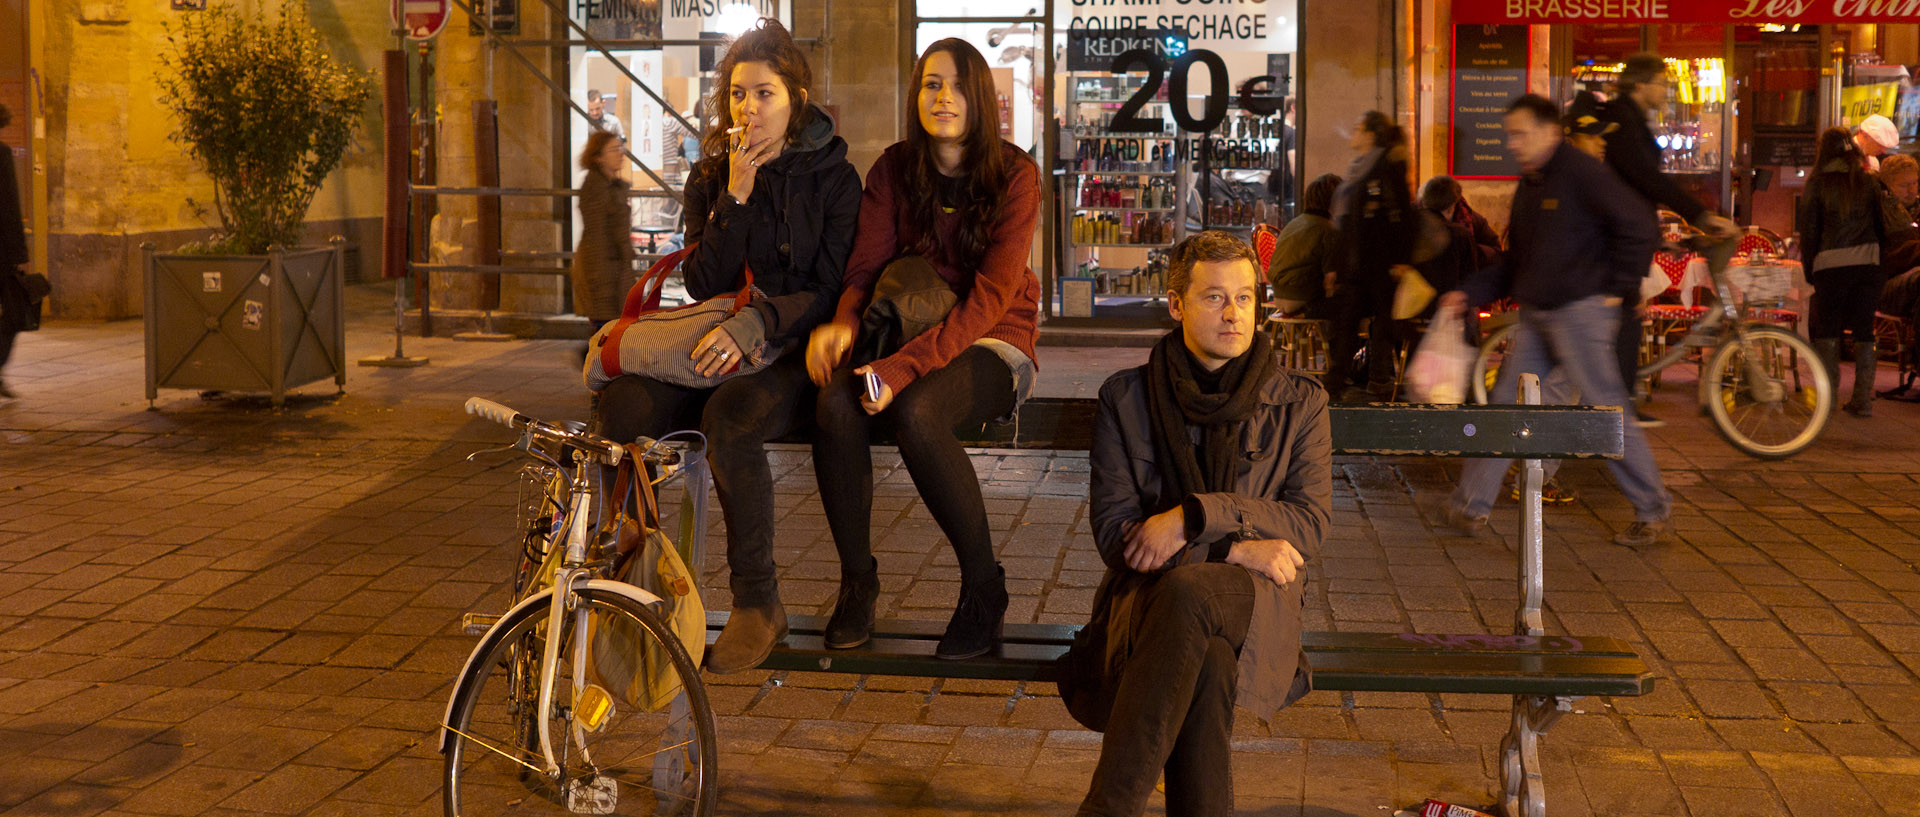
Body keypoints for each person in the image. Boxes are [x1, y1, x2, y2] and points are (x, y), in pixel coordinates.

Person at [595, 19, 863, 673]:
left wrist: (760, 323)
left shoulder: (834, 176)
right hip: (715, 343)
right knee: (624, 405)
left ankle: (757, 603)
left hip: (789, 354)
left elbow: (830, 289)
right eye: (739, 95)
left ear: (796, 96)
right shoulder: (715, 174)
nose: (750, 109)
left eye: (765, 93)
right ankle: (633, 577)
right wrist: (735, 198)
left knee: (731, 419)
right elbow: (702, 280)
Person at [1060, 230, 1328, 817]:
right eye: (1213, 298)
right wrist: (1237, 550)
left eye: (1245, 298)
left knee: (1188, 591)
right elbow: (1117, 536)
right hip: (1153, 604)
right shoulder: (1126, 399)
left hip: (1258, 602)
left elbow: (1309, 521)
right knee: (1204, 655)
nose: (1233, 314)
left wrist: (1195, 518)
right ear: (1177, 304)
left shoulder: (1299, 401)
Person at [805, 39, 1041, 660]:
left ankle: (984, 587)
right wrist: (844, 325)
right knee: (833, 406)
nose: (944, 98)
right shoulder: (892, 169)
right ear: (915, 95)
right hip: (905, 334)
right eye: (932, 84)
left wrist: (899, 369)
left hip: (995, 342)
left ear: (982, 98)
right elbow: (866, 268)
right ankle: (857, 581)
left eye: (959, 85)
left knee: (918, 412)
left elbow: (991, 298)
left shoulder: (1017, 176)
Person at [1440, 95, 1670, 548]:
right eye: (1510, 134)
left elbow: (1639, 228)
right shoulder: (1532, 184)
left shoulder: (1583, 174)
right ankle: (1471, 504)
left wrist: (1614, 291)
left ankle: (1654, 509)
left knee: (1608, 411)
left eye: (1520, 133)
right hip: (1539, 314)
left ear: (1550, 131)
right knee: (1506, 405)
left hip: (1580, 312)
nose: (1513, 143)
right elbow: (1518, 262)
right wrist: (1471, 293)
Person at [1598, 54, 1740, 427]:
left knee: (1627, 315)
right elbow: (1646, 179)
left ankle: (1619, 403)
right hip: (1612, 237)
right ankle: (1617, 406)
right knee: (1624, 315)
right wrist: (1701, 215)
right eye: (1662, 82)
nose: (1667, 89)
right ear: (1640, 84)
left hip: (1625, 234)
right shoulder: (1622, 120)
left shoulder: (1630, 119)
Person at [1324, 110, 1414, 402]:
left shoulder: (1387, 167)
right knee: (1349, 322)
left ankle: (1374, 379)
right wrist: (1337, 265)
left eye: (1358, 128)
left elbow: (1403, 213)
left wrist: (1401, 259)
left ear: (1371, 134)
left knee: (1382, 323)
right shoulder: (1358, 168)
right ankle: (1336, 382)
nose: (1354, 133)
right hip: (1356, 263)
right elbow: (1346, 223)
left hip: (1381, 261)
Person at [1802, 126, 1889, 418]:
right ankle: (1862, 399)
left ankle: (1827, 401)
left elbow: (1810, 232)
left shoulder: (1818, 183)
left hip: (1830, 265)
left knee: (1828, 330)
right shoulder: (1868, 181)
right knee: (1864, 330)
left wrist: (1809, 267)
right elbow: (1880, 227)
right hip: (1868, 265)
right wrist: (1880, 263)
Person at [570, 131, 635, 335]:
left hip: (614, 269)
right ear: (598, 157)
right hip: (602, 273)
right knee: (605, 332)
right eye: (614, 149)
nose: (621, 153)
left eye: (621, 148)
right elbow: (596, 238)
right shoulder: (596, 189)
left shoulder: (612, 186)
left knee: (614, 332)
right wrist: (601, 286)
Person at [1266, 173, 1340, 316]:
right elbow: (1330, 278)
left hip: (1278, 295)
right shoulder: (1328, 228)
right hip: (1301, 299)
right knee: (1351, 299)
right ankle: (1329, 338)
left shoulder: (1295, 223)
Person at [0, 104, 27, 399]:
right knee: (15, 314)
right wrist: (19, 253)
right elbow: (8, 206)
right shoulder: (2, 155)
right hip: (2, 255)